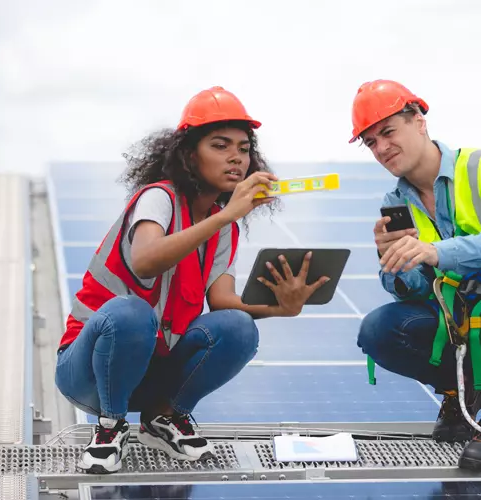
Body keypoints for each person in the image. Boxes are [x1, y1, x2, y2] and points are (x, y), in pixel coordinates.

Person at [55, 86, 329, 474]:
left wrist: (280, 308)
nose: (237, 157)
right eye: (220, 145)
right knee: (131, 314)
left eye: (244, 147)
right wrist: (226, 215)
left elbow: (223, 304)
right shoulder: (159, 198)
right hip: (88, 370)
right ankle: (110, 426)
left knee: (238, 327)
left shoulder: (223, 228)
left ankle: (164, 416)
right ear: (188, 155)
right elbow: (146, 261)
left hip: (150, 371)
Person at [351, 80, 481, 473]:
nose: (381, 148)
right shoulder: (396, 202)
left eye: (388, 132)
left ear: (420, 121)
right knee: (378, 329)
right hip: (456, 328)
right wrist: (391, 260)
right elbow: (411, 293)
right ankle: (460, 389)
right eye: (370, 142)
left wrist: (436, 251)